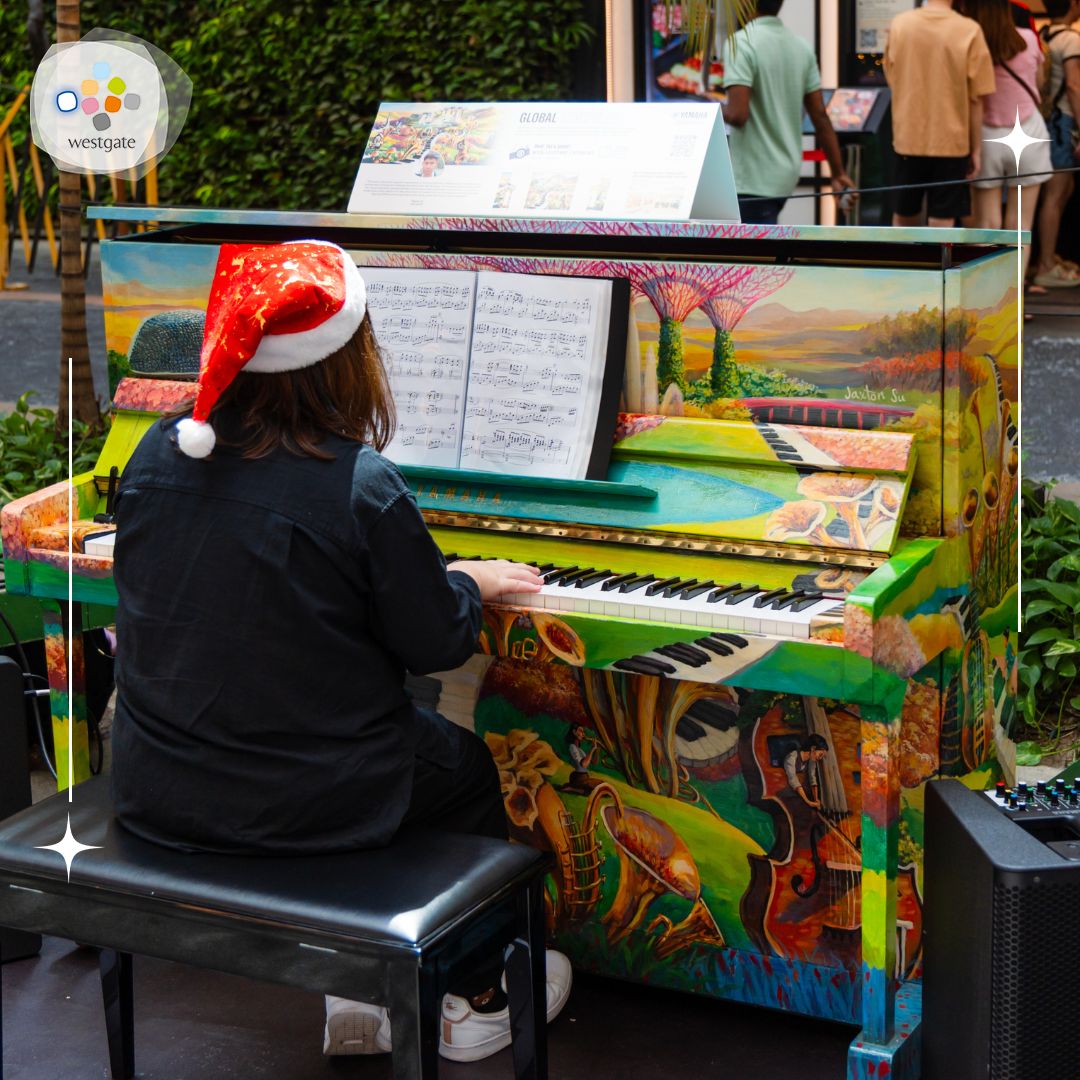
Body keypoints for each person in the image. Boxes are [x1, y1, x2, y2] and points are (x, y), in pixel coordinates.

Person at [109, 240, 571, 1062]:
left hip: (161, 786)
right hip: (307, 801)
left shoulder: (157, 451)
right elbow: (433, 642)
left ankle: (358, 987)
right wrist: (466, 581)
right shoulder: (359, 482)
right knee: (461, 770)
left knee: (369, 728)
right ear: (345, 361)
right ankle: (474, 995)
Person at [721, 0, 854, 225]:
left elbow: (737, 114)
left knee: (749, 256)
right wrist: (838, 172)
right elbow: (820, 116)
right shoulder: (800, 46)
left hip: (751, 178)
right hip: (784, 175)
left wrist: (701, 109)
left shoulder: (740, 43)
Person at [884, 0, 996, 227]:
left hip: (908, 138)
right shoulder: (969, 30)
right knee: (943, 218)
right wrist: (976, 149)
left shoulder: (900, 25)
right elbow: (976, 98)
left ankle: (906, 261)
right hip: (952, 142)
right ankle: (939, 263)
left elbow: (892, 79)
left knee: (904, 213)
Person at [962, 0, 1052, 280]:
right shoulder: (1027, 39)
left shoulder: (973, 42)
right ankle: (1015, 301)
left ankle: (987, 300)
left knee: (987, 223)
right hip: (1028, 133)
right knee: (1021, 224)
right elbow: (1039, 83)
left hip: (987, 136)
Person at [1033, 0, 1080, 289]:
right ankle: (1046, 264)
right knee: (1055, 193)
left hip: (1048, 121)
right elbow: (1074, 86)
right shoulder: (1072, 39)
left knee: (1060, 191)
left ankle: (1047, 257)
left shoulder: (1044, 35)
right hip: (1064, 123)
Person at [782, 734, 829, 808]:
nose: (820, 758)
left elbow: (812, 778)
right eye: (820, 754)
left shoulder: (812, 760)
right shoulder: (791, 758)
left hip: (798, 789)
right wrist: (808, 801)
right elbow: (793, 780)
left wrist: (816, 799)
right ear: (813, 748)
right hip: (785, 787)